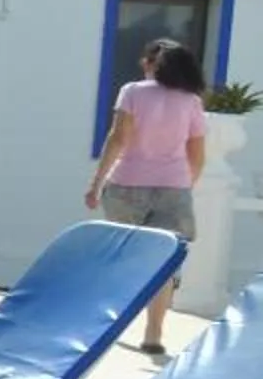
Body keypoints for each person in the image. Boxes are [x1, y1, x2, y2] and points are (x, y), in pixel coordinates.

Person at [87, 36, 207, 355]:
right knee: (164, 264)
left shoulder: (132, 92)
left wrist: (96, 182)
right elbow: (196, 152)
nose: (142, 64)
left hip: (126, 185)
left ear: (152, 63)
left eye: (145, 59)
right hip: (174, 188)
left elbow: (117, 139)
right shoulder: (191, 100)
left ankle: (109, 325)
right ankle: (153, 334)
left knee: (123, 259)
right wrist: (184, 185)